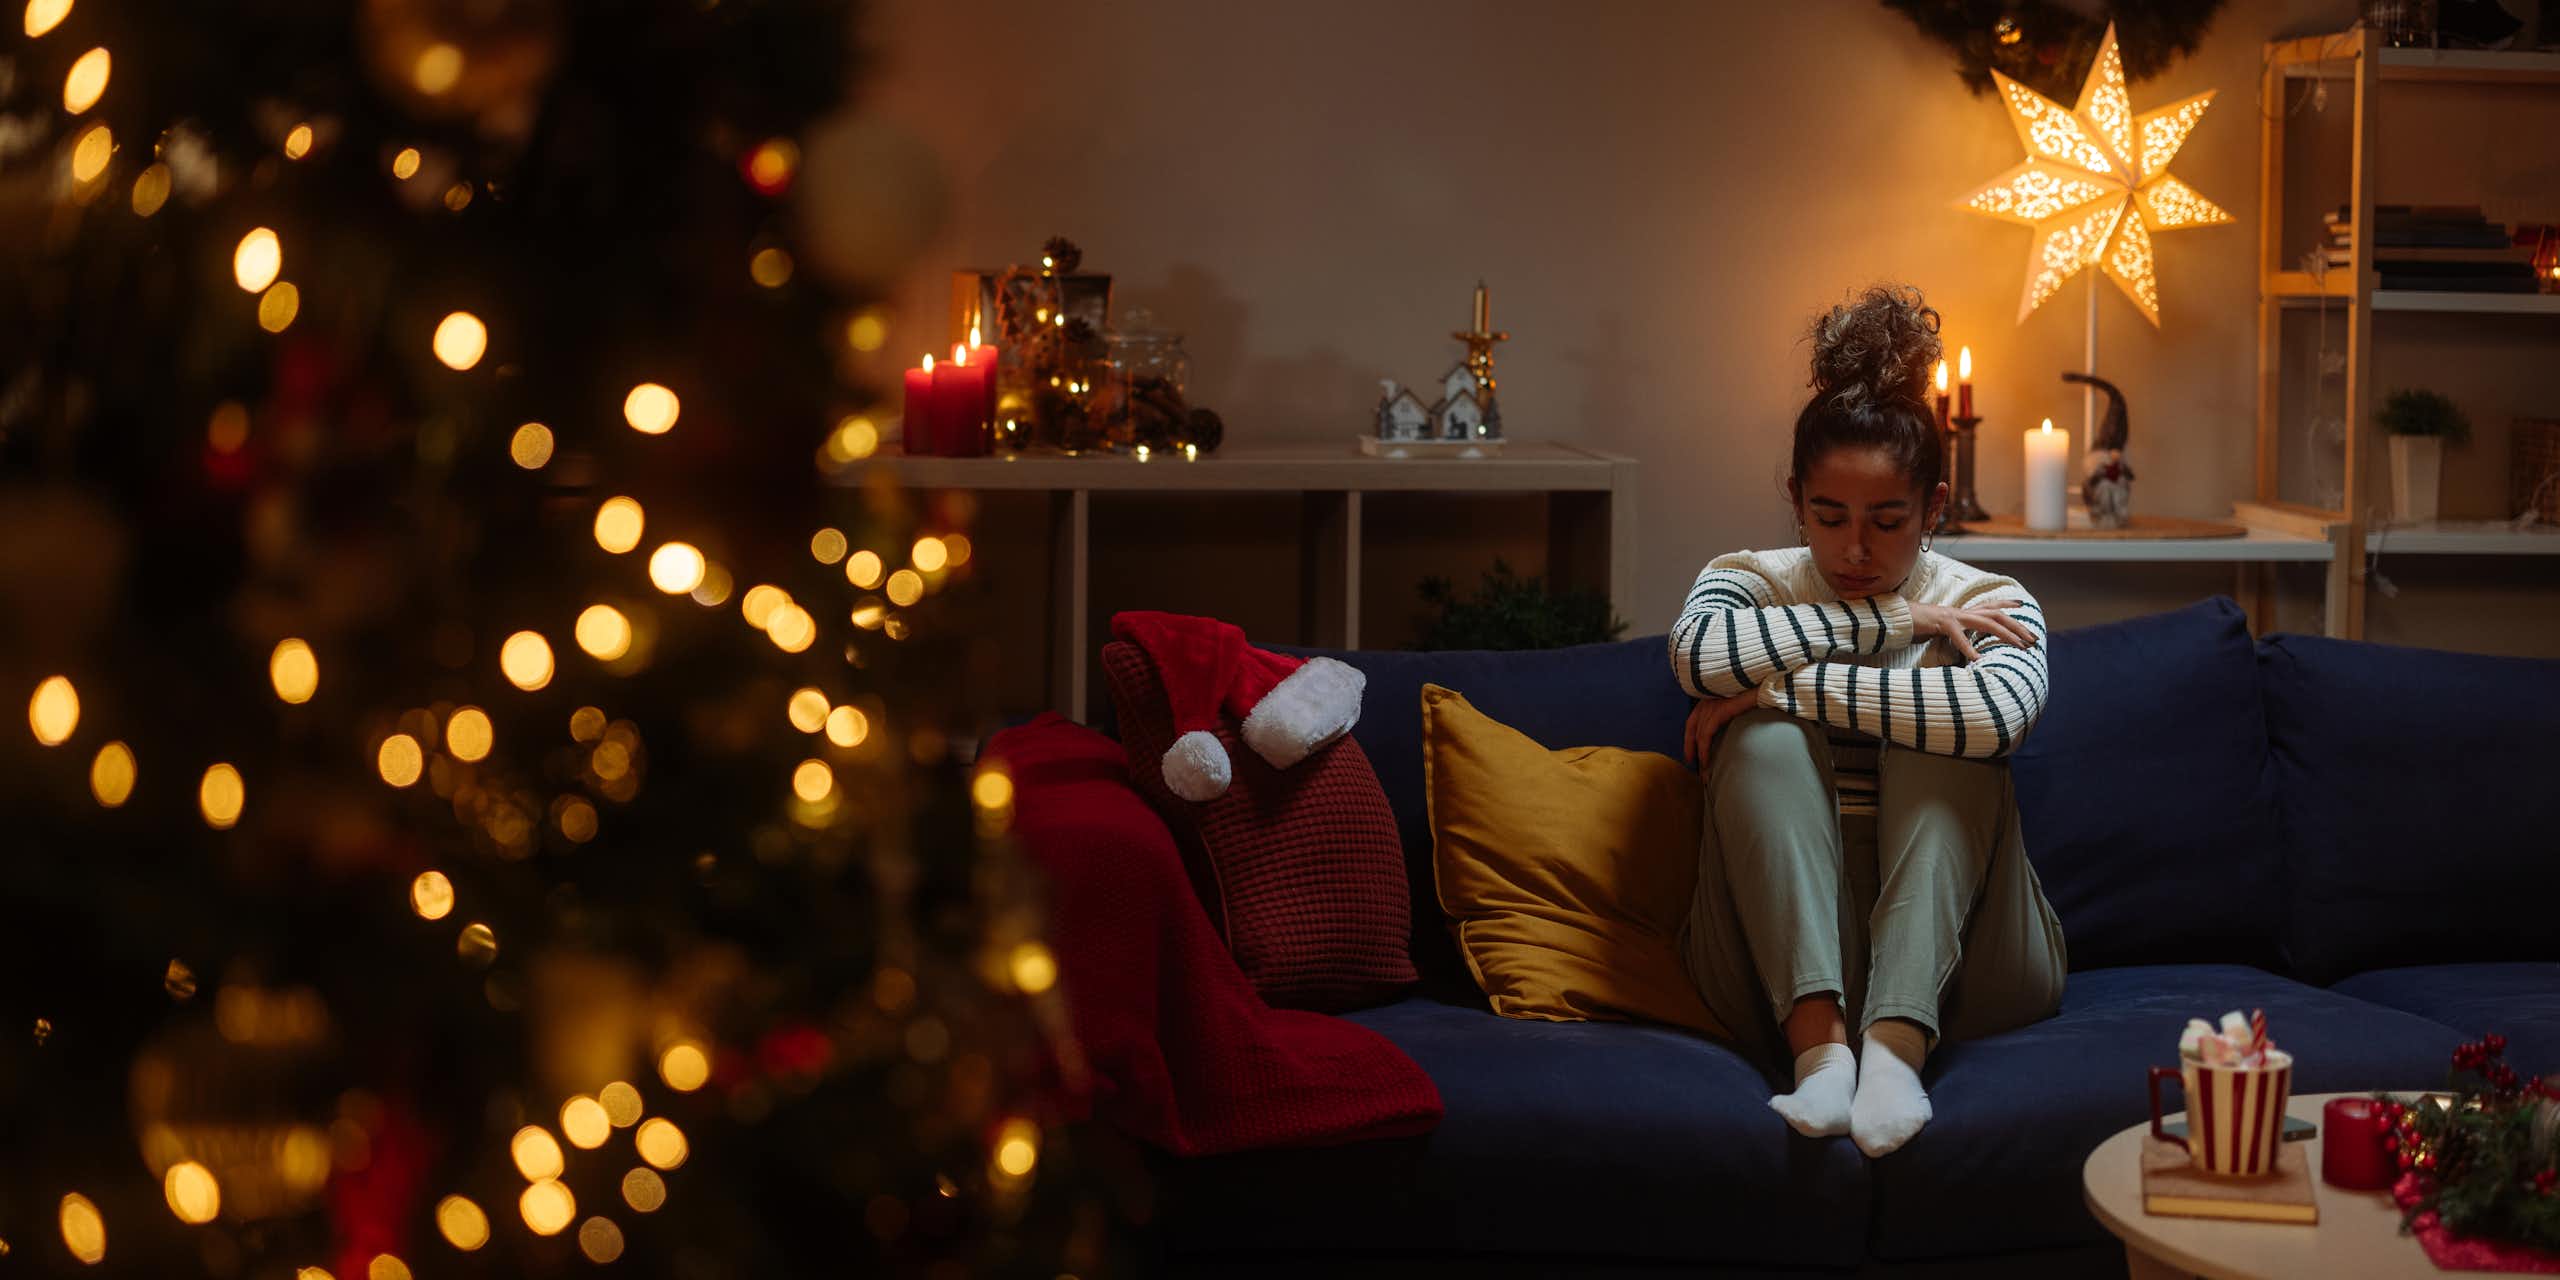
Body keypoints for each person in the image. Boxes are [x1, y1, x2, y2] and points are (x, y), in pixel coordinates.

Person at [1668, 284, 2067, 1158]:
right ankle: (1821, 1055)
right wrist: (1889, 623)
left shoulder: (1990, 602)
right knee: (1761, 744)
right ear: (1794, 498)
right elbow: (1697, 658)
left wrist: (1778, 688)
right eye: (1828, 517)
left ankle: (1894, 1048)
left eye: (1887, 522)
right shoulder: (1750, 578)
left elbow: (2000, 717)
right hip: (1763, 960)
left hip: (1975, 960)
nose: (1853, 551)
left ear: (1934, 508)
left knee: (1941, 734)